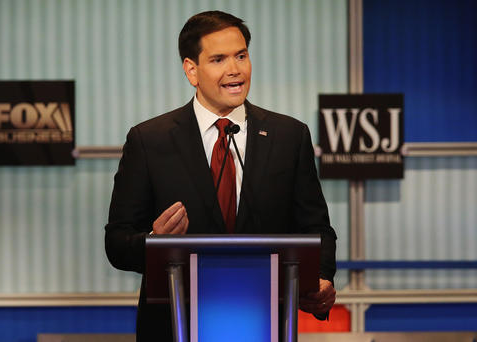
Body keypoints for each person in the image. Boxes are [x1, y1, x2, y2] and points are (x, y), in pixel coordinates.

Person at [105, 10, 337, 341]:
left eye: (241, 55)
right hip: (174, 326)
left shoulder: (289, 136)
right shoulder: (149, 140)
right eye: (218, 59)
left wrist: (323, 278)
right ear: (191, 70)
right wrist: (155, 243)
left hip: (263, 323)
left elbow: (317, 228)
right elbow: (117, 242)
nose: (235, 70)